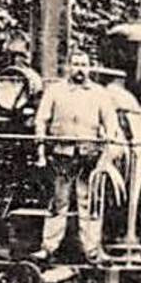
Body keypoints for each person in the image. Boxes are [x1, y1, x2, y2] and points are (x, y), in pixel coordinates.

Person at [33, 51, 114, 263]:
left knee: (89, 203)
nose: (79, 68)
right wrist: (40, 149)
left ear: (89, 68)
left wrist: (106, 153)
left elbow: (111, 125)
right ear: (68, 66)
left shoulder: (99, 94)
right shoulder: (55, 91)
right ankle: (48, 248)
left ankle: (92, 250)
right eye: (76, 64)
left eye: (84, 64)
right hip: (62, 154)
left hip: (89, 156)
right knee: (58, 202)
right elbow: (41, 120)